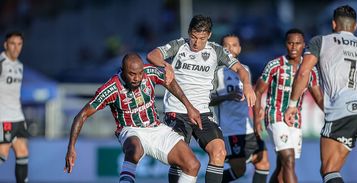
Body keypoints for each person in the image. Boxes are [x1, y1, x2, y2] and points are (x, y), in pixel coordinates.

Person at [147, 15, 256, 183]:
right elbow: (152, 55)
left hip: (202, 112)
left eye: (202, 38)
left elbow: (240, 69)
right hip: (177, 110)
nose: (196, 43)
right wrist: (165, 65)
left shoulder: (216, 50)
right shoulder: (179, 45)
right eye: (194, 37)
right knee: (180, 160)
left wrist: (247, 84)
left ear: (209, 36)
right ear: (189, 32)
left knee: (219, 151)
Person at [64, 53, 203, 183]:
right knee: (135, 149)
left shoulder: (149, 72)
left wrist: (189, 107)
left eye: (139, 73)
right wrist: (71, 148)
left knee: (193, 165)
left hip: (156, 128)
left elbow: (169, 81)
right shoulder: (111, 88)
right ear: (123, 71)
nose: (137, 78)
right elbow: (81, 115)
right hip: (130, 130)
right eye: (132, 74)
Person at [285, 5, 357, 183]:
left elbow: (304, 72)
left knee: (329, 169)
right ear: (355, 27)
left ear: (334, 24)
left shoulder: (321, 41)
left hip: (344, 109)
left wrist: (292, 105)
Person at [254, 28, 323, 183]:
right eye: (290, 43)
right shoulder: (274, 65)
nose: (293, 47)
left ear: (304, 45)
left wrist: (333, 116)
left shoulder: (310, 70)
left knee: (283, 166)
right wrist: (256, 119)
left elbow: (319, 97)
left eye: (298, 44)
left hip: (295, 119)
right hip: (275, 115)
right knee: (289, 159)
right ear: (285, 44)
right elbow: (257, 92)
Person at [210, 34, 270, 183]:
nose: (230, 48)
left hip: (247, 127)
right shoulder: (215, 71)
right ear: (220, 49)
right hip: (230, 130)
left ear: (240, 48)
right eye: (226, 46)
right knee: (239, 169)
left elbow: (253, 94)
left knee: (263, 163)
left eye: (234, 45)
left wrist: (259, 110)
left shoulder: (246, 70)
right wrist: (226, 97)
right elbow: (206, 100)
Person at [0, 31, 28, 183]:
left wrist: (21, 116)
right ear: (5, 45)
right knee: (2, 154)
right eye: (12, 44)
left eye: (19, 44)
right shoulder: (1, 62)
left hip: (17, 116)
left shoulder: (19, 66)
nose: (16, 48)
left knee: (22, 151)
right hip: (4, 118)